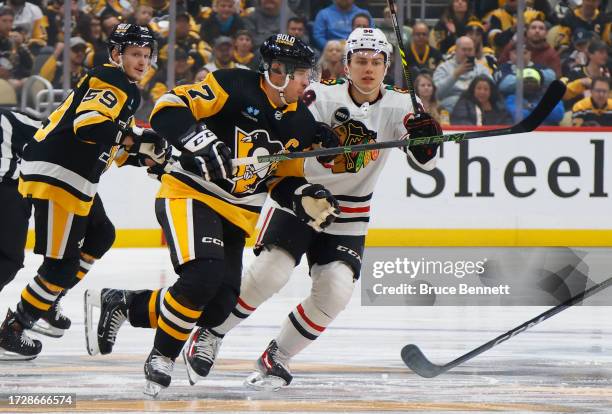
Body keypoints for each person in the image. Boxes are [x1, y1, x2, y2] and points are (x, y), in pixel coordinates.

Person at [180, 28, 440, 390]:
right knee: (271, 273)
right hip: (302, 198)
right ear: (347, 64)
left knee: (335, 290)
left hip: (350, 212)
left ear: (387, 66)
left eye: (377, 62)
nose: (368, 69)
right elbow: (285, 121)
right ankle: (209, 333)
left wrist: (427, 141)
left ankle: (278, 357)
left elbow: (424, 162)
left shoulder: (402, 104)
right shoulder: (320, 94)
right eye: (361, 61)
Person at [84, 34, 341, 398]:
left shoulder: (300, 122)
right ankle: (162, 355)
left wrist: (304, 196)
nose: (307, 81)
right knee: (202, 277)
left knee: (220, 303)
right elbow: (168, 108)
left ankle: (125, 304)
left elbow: (283, 178)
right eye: (302, 73)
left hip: (238, 214)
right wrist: (197, 139)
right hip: (190, 193)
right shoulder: (232, 84)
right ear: (278, 71)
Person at [0, 23, 168, 361]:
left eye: (147, 56)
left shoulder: (121, 88)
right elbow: (89, 125)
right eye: (135, 53)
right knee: (60, 266)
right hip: (59, 175)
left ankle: (46, 300)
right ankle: (14, 328)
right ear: (116, 54)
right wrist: (139, 139)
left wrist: (148, 156)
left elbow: (111, 146)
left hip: (73, 177)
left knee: (101, 234)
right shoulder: (112, 80)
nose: (142, 61)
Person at [0, 109, 42, 295]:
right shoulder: (8, 117)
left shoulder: (8, 118)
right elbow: (50, 133)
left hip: (9, 194)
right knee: (10, 259)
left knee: (10, 260)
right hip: (7, 193)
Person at [433, 36, 491, 113]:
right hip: (451, 106)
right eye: (464, 50)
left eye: (470, 50)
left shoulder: (482, 69)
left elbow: (492, 89)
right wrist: (455, 75)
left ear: (474, 51)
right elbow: (437, 94)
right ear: (456, 50)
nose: (467, 53)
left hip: (477, 104)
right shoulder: (443, 68)